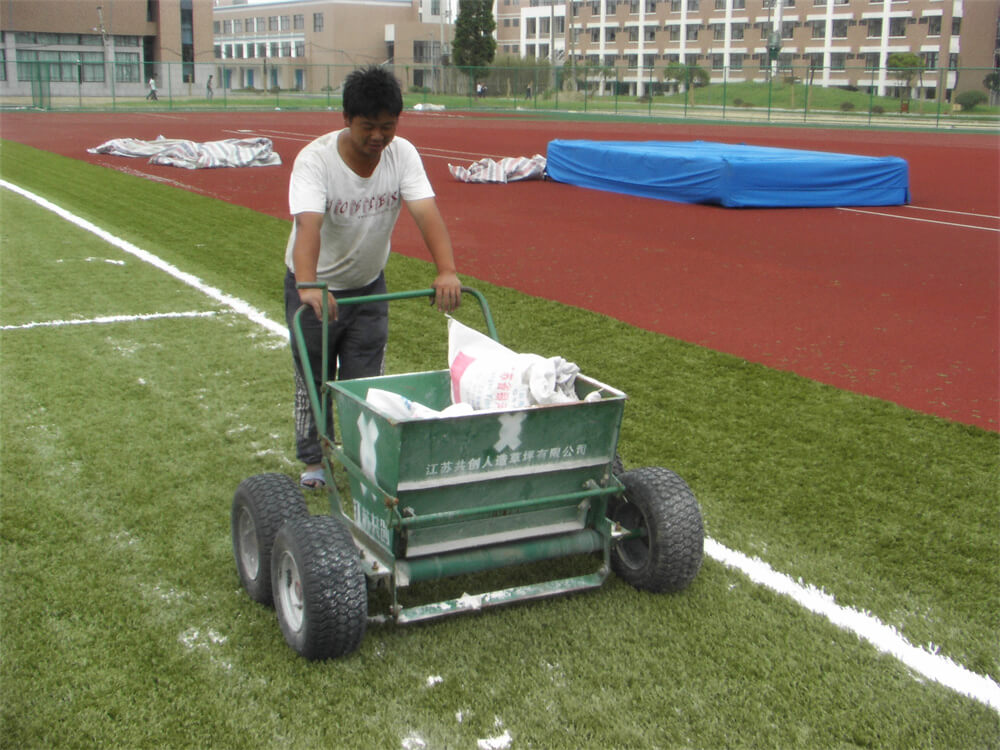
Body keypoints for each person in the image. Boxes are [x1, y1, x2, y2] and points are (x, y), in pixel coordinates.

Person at [283, 65, 462, 489]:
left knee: (366, 380)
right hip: (316, 290)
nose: (379, 137)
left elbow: (425, 212)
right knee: (314, 379)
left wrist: (446, 270)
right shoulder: (315, 160)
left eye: (388, 126)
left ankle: (365, 456)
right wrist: (308, 284)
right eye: (368, 127)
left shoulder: (403, 156)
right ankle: (313, 460)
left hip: (368, 287)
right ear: (347, 119)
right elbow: (308, 224)